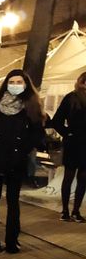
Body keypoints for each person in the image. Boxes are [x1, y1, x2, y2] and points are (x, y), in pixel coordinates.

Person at [0, 69, 46, 254]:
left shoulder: (31, 106)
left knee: (13, 201)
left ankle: (12, 239)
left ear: (25, 84)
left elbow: (38, 133)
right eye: (12, 82)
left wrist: (24, 147)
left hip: (16, 160)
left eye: (19, 82)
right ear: (6, 83)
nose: (15, 85)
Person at [52, 71, 86, 222]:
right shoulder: (71, 97)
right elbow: (56, 120)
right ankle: (65, 210)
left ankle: (76, 210)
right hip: (74, 142)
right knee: (69, 176)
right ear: (81, 82)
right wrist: (68, 133)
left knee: (84, 178)